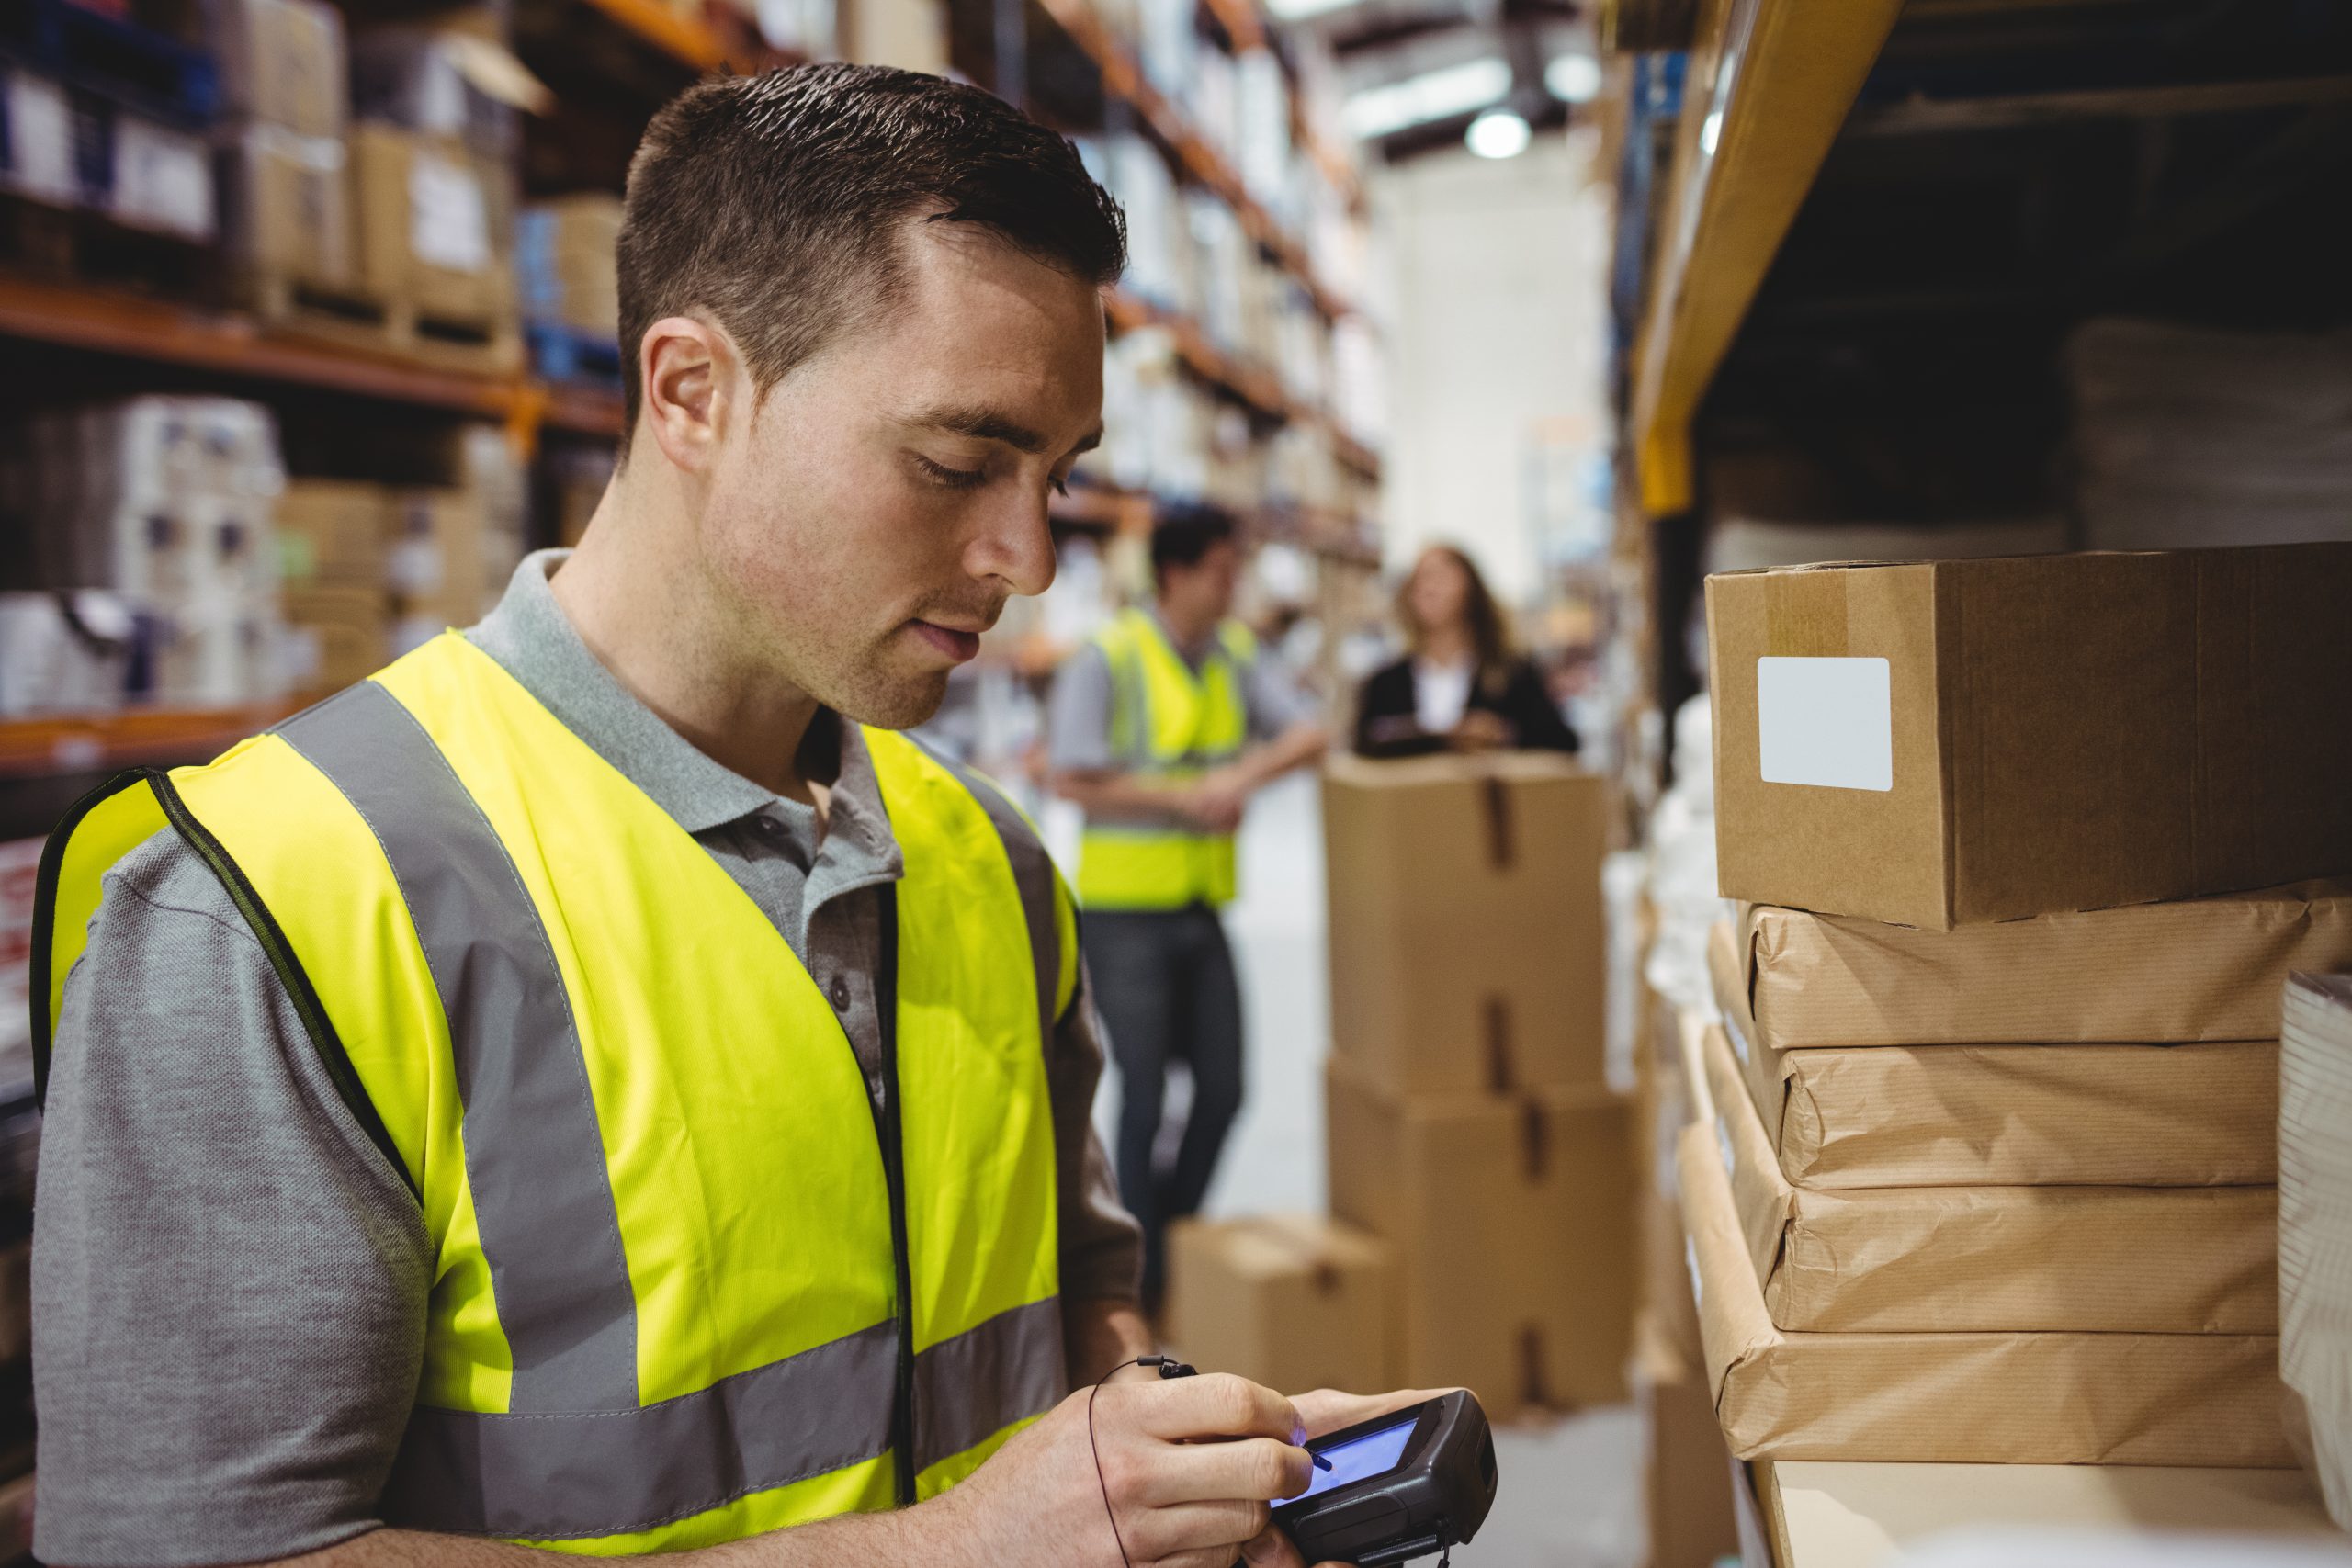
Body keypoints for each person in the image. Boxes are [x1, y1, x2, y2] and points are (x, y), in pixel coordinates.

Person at [29, 65, 1421, 1568]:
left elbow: (1071, 1299)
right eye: (958, 463)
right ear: (693, 391)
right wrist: (952, 1550)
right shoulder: (278, 903)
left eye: (1058, 480)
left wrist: (1160, 1476)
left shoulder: (986, 860)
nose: (1028, 559)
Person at [1046, 507, 1328, 1309]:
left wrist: (1240, 780)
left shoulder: (1233, 654)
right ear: (1174, 572)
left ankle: (1166, 1243)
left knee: (1225, 1087)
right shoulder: (1109, 657)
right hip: (1124, 911)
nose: (1233, 583)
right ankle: (1142, 1281)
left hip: (1202, 908)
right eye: (1220, 569)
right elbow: (1070, 776)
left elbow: (1309, 733)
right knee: (1142, 1096)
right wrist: (1183, 798)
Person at [1353, 544, 1580, 759]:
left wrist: (1502, 735)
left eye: (1441, 576)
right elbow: (1361, 749)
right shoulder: (1384, 683)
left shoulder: (1512, 675)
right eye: (1420, 578)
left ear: (1471, 590)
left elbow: (1563, 744)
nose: (1429, 587)